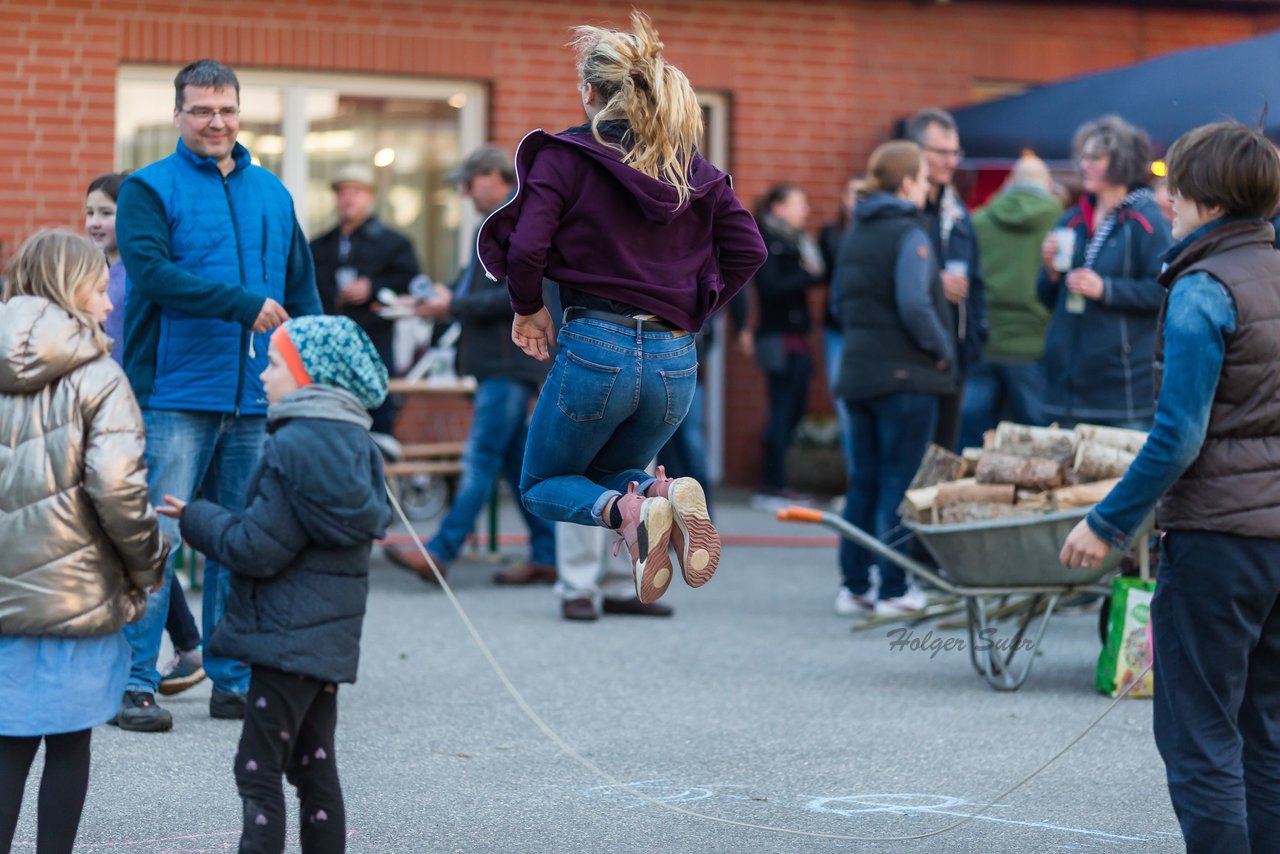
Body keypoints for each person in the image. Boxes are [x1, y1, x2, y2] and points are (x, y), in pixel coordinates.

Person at [477, 11, 766, 603]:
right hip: (674, 359)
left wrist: (528, 307)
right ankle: (657, 498)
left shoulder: (566, 157)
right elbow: (750, 250)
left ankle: (630, 509)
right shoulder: (692, 169)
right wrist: (692, 309)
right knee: (610, 476)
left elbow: (528, 245)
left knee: (540, 485)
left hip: (596, 346)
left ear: (590, 91)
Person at [1059, 121, 1280, 854]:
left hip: (1219, 540)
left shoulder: (1202, 288)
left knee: (1202, 737)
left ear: (1206, 200)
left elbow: (1178, 437)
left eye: (1175, 184)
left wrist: (1105, 521)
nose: (1167, 196)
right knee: (1265, 731)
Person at [114, 59, 322, 731]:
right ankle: (134, 685)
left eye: (226, 109)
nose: (216, 122)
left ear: (240, 113)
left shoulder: (274, 194)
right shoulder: (148, 188)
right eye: (202, 110)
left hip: (258, 398)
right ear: (178, 115)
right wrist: (243, 305)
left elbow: (303, 296)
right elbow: (150, 275)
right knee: (158, 540)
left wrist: (314, 379)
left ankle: (231, 680)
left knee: (241, 540)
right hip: (174, 392)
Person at [158, 314, 388, 854]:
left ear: (311, 376)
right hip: (322, 642)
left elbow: (256, 548)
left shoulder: (294, 446)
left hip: (286, 639)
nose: (262, 372)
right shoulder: (354, 442)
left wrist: (197, 518)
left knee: (257, 772)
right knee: (314, 768)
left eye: (277, 362)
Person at [0, 230, 168, 853]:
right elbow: (119, 488)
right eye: (99, 287)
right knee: (69, 742)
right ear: (71, 289)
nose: (107, 302)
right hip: (75, 592)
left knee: (7, 744)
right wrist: (149, 562)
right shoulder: (99, 376)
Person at [382, 146, 557, 586]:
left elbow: (520, 293)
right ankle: (549, 555)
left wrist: (450, 306)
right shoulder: (506, 221)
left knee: (480, 459)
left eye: (469, 182)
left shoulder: (515, 220)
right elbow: (478, 286)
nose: (463, 192)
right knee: (517, 466)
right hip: (506, 364)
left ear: (496, 177)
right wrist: (438, 301)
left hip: (508, 364)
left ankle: (440, 551)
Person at [85, 172, 209, 695]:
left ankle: (146, 659)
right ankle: (189, 645)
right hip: (103, 417)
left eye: (106, 213)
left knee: (137, 535)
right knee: (136, 536)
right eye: (89, 211)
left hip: (129, 418)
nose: (95, 222)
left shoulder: (129, 277)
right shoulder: (102, 269)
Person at [833, 141, 956, 618]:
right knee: (898, 482)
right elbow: (915, 304)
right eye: (924, 178)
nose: (928, 188)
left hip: (859, 372)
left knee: (863, 479)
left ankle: (855, 585)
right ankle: (894, 589)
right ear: (906, 183)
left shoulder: (856, 230)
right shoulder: (910, 230)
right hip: (906, 376)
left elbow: (842, 305)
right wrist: (943, 350)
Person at [1037, 115, 1172, 429]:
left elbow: (1163, 292)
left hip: (1120, 389)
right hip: (1066, 384)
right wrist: (1050, 274)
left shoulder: (1146, 220)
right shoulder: (1070, 219)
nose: (1084, 164)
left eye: (1095, 157)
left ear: (1121, 162)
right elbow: (1045, 298)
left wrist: (1105, 289)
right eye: (1083, 156)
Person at [958, 156, 1063, 449]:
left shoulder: (979, 220)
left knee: (972, 439)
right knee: (1038, 442)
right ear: (1047, 185)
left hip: (986, 340)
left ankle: (967, 494)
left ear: (1009, 183)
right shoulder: (1060, 222)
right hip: (1034, 343)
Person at [310, 163, 420, 434]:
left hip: (374, 344)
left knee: (377, 418)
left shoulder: (393, 243)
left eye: (356, 192)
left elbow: (411, 283)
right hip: (330, 345)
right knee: (330, 419)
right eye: (342, 192)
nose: (348, 198)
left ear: (370, 196)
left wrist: (373, 287)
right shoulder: (320, 245)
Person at [905, 108, 987, 451]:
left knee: (942, 459)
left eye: (956, 152)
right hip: (910, 359)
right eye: (942, 152)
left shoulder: (958, 214)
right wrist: (933, 282)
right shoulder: (901, 210)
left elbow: (976, 282)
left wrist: (975, 341)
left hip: (953, 357)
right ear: (917, 152)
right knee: (907, 469)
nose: (952, 161)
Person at [750, 183, 825, 504]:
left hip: (794, 337)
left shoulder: (796, 241)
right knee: (781, 410)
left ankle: (777, 483)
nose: (805, 211)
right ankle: (772, 485)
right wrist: (807, 276)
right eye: (799, 203)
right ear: (778, 208)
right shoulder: (769, 241)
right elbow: (770, 286)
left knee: (793, 409)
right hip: (778, 338)